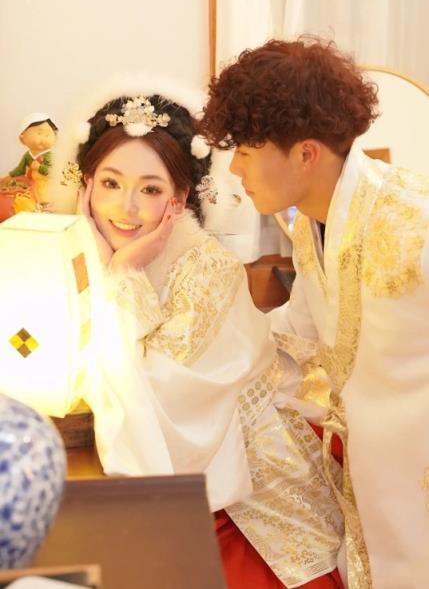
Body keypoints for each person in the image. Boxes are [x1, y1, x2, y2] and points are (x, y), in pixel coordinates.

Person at [55, 75, 344, 589]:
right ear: (87, 183)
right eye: (111, 183)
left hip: (242, 491)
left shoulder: (209, 267)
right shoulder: (69, 252)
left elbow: (154, 400)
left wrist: (122, 276)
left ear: (180, 197)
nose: (126, 207)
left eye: (151, 189)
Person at [198, 37, 429, 588]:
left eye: (247, 151)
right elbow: (296, 330)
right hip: (375, 476)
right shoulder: (311, 220)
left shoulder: (411, 224)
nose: (235, 168)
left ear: (306, 154)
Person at [10, 113, 58, 207]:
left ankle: (46, 205)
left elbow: (53, 172)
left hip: (46, 186)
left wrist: (39, 167)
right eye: (39, 133)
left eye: (47, 135)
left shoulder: (50, 156)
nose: (43, 138)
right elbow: (20, 169)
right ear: (23, 137)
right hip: (31, 185)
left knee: (44, 197)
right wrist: (10, 176)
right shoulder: (27, 155)